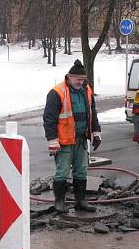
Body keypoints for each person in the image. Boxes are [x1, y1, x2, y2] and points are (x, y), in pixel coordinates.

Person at [43, 60, 101, 213]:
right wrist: (53, 140)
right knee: (62, 171)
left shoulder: (86, 90)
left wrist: (96, 132)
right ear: (69, 77)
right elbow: (49, 119)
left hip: (81, 139)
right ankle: (59, 203)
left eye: (83, 80)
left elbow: (92, 113)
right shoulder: (57, 93)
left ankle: (80, 201)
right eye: (78, 80)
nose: (80, 82)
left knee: (81, 171)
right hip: (64, 141)